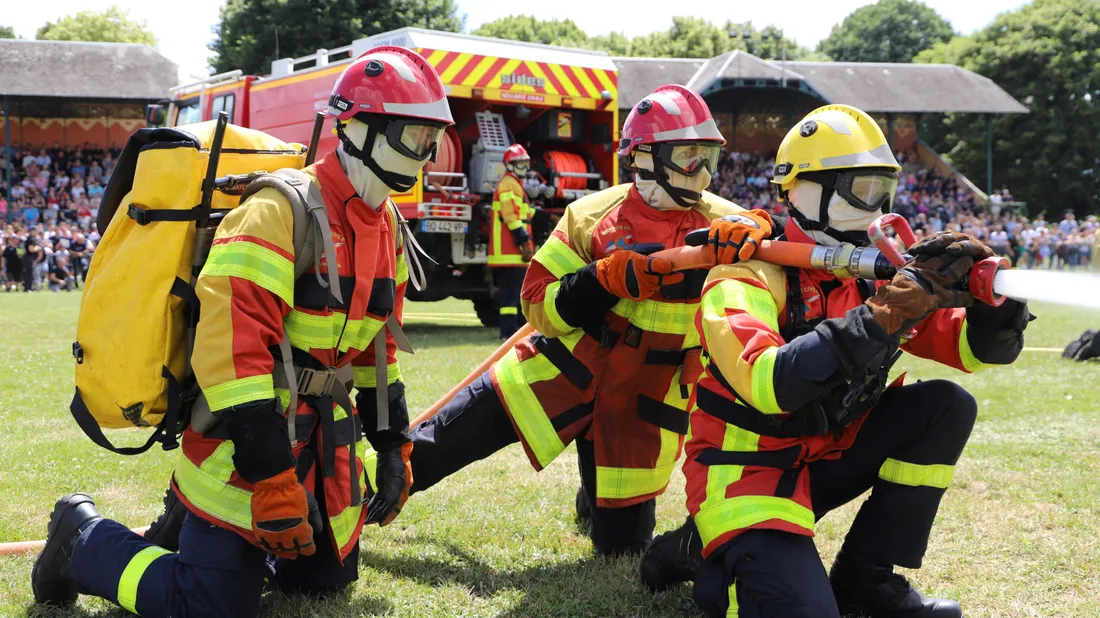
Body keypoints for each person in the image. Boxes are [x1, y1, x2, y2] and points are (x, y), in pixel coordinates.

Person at [32, 46, 455, 617]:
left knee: (322, 585)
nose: (425, 155)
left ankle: (198, 538)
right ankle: (80, 538)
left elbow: (377, 353)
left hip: (320, 452)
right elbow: (233, 358)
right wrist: (272, 479)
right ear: (356, 128)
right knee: (211, 606)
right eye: (414, 136)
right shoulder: (277, 213)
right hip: (241, 454)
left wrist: (392, 445)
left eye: (433, 140)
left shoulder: (389, 229)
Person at [638, 105, 1032, 618]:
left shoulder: (870, 277)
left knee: (946, 406)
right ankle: (708, 554)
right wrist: (883, 316)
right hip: (746, 472)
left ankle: (865, 581)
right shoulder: (743, 276)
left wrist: (993, 308)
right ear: (805, 191)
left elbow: (972, 351)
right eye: (864, 189)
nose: (878, 207)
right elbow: (770, 383)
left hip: (823, 455)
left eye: (885, 190)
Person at [406, 85, 774, 555]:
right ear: (644, 157)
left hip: (638, 406)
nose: (702, 172)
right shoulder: (590, 216)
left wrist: (762, 224)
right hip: (558, 375)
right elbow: (537, 304)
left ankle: (594, 498)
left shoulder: (727, 221)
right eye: (688, 157)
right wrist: (600, 280)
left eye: (709, 158)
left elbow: (780, 244)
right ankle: (358, 491)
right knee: (442, 440)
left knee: (621, 547)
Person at [489, 143, 536, 339]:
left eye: (525, 164)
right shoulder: (509, 184)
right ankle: (508, 333)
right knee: (511, 295)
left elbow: (524, 213)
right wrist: (524, 240)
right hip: (509, 250)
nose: (523, 168)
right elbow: (510, 216)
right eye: (519, 164)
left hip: (511, 252)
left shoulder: (514, 184)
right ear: (509, 165)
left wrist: (542, 216)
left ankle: (512, 332)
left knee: (514, 294)